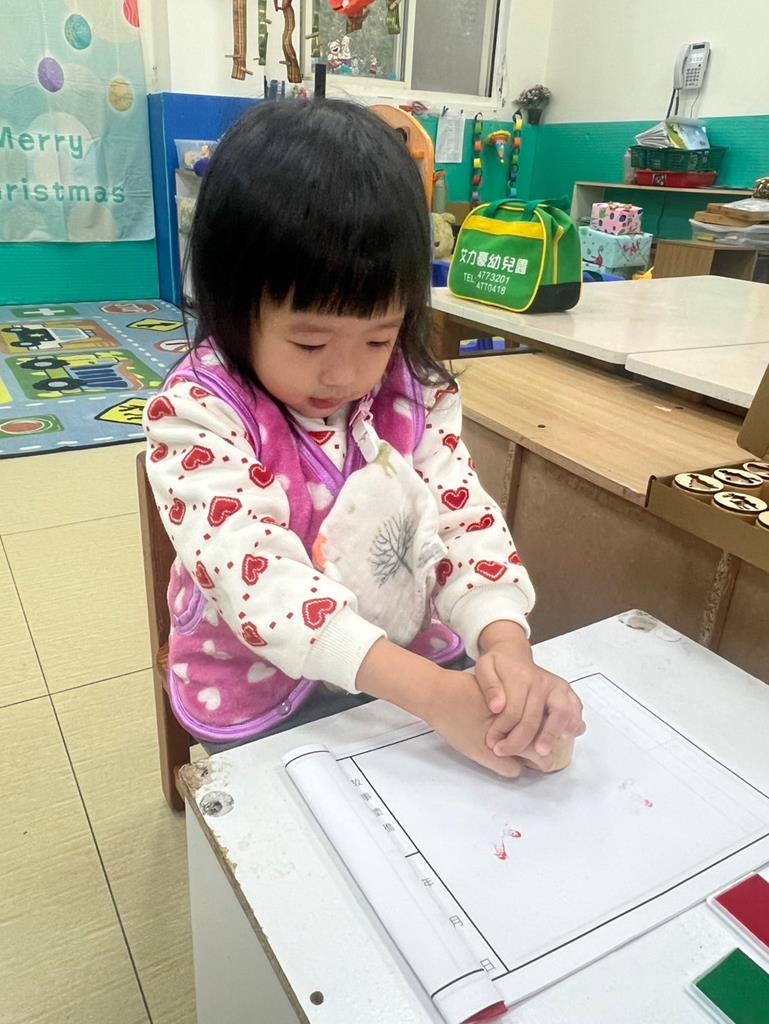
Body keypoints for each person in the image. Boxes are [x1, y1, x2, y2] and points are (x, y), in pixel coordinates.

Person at [143, 99, 584, 774]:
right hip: (262, 687)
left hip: (410, 666)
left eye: (379, 338)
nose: (346, 374)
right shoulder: (197, 414)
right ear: (232, 304)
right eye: (309, 342)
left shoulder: (414, 391)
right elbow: (260, 582)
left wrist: (504, 646)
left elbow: (462, 519)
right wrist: (436, 697)